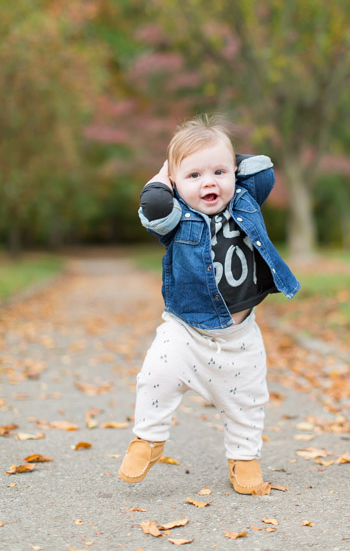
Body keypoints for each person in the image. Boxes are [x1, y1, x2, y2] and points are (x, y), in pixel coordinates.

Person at [118, 114, 300, 495]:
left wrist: (218, 153)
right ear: (174, 183)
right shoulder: (175, 218)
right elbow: (151, 202)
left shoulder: (246, 199)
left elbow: (263, 168)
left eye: (219, 171)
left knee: (247, 402)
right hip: (186, 330)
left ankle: (244, 459)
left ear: (234, 173)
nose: (210, 183)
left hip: (240, 335)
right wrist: (165, 173)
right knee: (155, 376)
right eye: (194, 176)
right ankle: (148, 440)